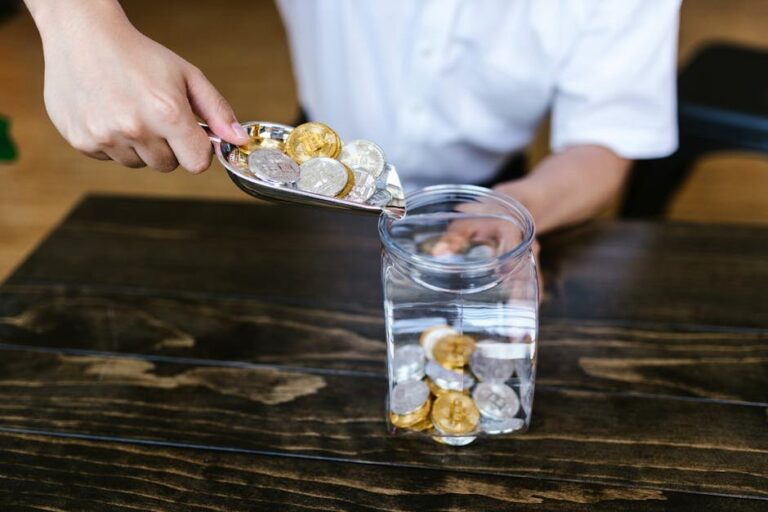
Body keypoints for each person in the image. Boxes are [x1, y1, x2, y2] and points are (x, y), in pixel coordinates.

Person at [23, 0, 680, 236]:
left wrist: (519, 207)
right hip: (308, 185)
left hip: (495, 185)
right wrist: (78, 22)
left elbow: (605, 145)